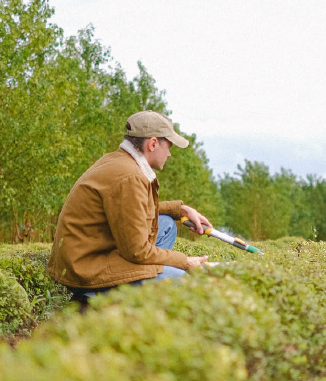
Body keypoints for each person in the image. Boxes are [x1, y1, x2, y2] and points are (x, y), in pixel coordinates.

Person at [47, 110, 212, 304]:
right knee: (181, 279)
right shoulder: (130, 177)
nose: (169, 153)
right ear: (152, 144)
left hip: (90, 251)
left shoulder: (119, 160)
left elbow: (131, 209)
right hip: (83, 269)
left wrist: (181, 210)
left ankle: (135, 279)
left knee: (166, 225)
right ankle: (95, 294)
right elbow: (137, 251)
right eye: (169, 146)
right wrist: (184, 262)